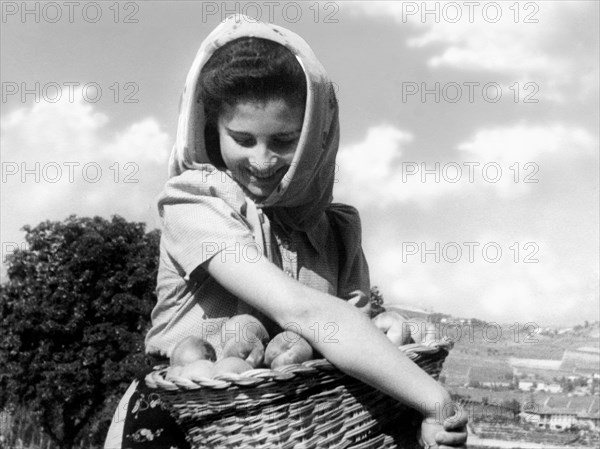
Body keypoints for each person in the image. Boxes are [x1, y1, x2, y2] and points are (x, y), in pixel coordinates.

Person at [104, 15, 468, 449]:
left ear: (315, 135)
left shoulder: (335, 230)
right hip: (185, 424)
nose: (261, 160)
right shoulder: (195, 204)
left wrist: (386, 337)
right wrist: (435, 401)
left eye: (283, 140)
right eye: (241, 138)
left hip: (304, 427)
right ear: (211, 128)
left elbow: (356, 344)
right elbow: (303, 311)